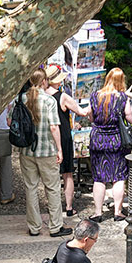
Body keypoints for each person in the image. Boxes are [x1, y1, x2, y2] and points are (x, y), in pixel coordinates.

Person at [18, 69, 72, 238]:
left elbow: (11, 121)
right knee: (52, 189)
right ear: (43, 82)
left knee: (31, 188)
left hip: (27, 150)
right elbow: (54, 126)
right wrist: (59, 149)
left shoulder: (22, 98)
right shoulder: (49, 100)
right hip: (46, 150)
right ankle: (55, 226)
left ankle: (34, 227)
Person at [87, 67, 132, 222]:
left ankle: (98, 213)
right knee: (118, 176)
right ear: (121, 81)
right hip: (116, 141)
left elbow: (91, 118)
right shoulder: (122, 98)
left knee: (99, 178)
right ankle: (117, 212)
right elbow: (130, 119)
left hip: (98, 140)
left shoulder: (95, 96)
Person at [44, 63, 89, 217]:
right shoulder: (62, 97)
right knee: (67, 173)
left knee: (50, 175)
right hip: (62, 137)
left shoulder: (40, 95)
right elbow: (81, 112)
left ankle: (53, 206)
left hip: (45, 137)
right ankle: (69, 207)